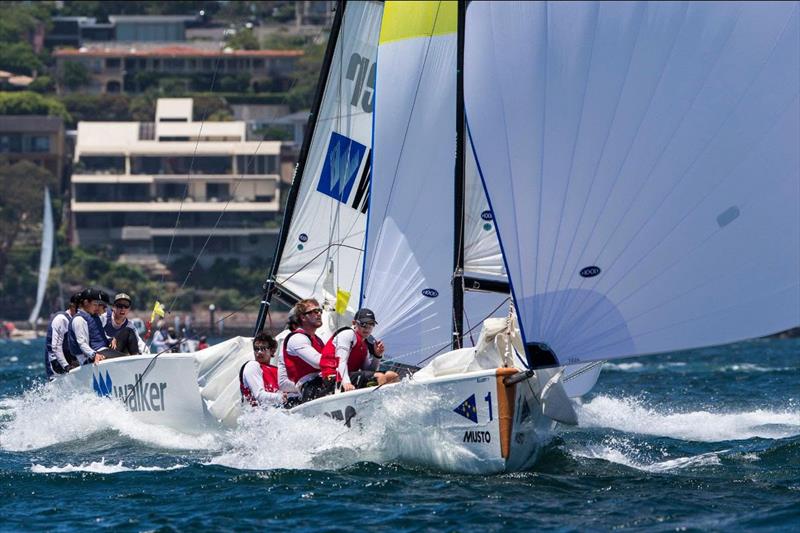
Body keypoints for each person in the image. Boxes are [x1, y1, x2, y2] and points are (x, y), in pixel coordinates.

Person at [319, 308, 399, 392]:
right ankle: (380, 404)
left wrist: (377, 355)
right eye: (364, 324)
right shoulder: (348, 334)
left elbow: (370, 371)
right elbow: (341, 361)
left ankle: (392, 404)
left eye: (371, 324)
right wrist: (346, 382)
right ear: (354, 323)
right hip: (332, 378)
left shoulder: (364, 344)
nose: (367, 328)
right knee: (379, 377)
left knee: (392, 376)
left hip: (348, 376)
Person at [278, 298, 327, 402]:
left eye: (320, 311)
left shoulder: (318, 340)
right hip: (308, 389)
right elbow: (319, 362)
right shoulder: (295, 339)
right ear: (302, 317)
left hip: (319, 383)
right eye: (314, 311)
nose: (319, 314)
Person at [239, 332, 299, 408]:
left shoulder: (278, 371)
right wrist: (280, 397)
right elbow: (259, 395)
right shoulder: (252, 365)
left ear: (272, 351)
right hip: (260, 414)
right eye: (256, 349)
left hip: (279, 409)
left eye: (263, 348)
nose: (259, 352)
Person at [67, 288, 124, 364]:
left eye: (98, 305)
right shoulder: (79, 320)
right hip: (86, 358)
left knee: (127, 333)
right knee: (123, 359)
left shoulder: (93, 316)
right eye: (94, 305)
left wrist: (111, 339)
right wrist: (94, 355)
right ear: (86, 302)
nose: (97, 308)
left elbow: (100, 335)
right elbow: (82, 343)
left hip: (101, 351)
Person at [44, 292, 82, 379]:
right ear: (72, 306)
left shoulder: (79, 320)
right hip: (56, 363)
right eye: (80, 308)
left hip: (70, 357)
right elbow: (56, 347)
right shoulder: (61, 319)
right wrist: (66, 366)